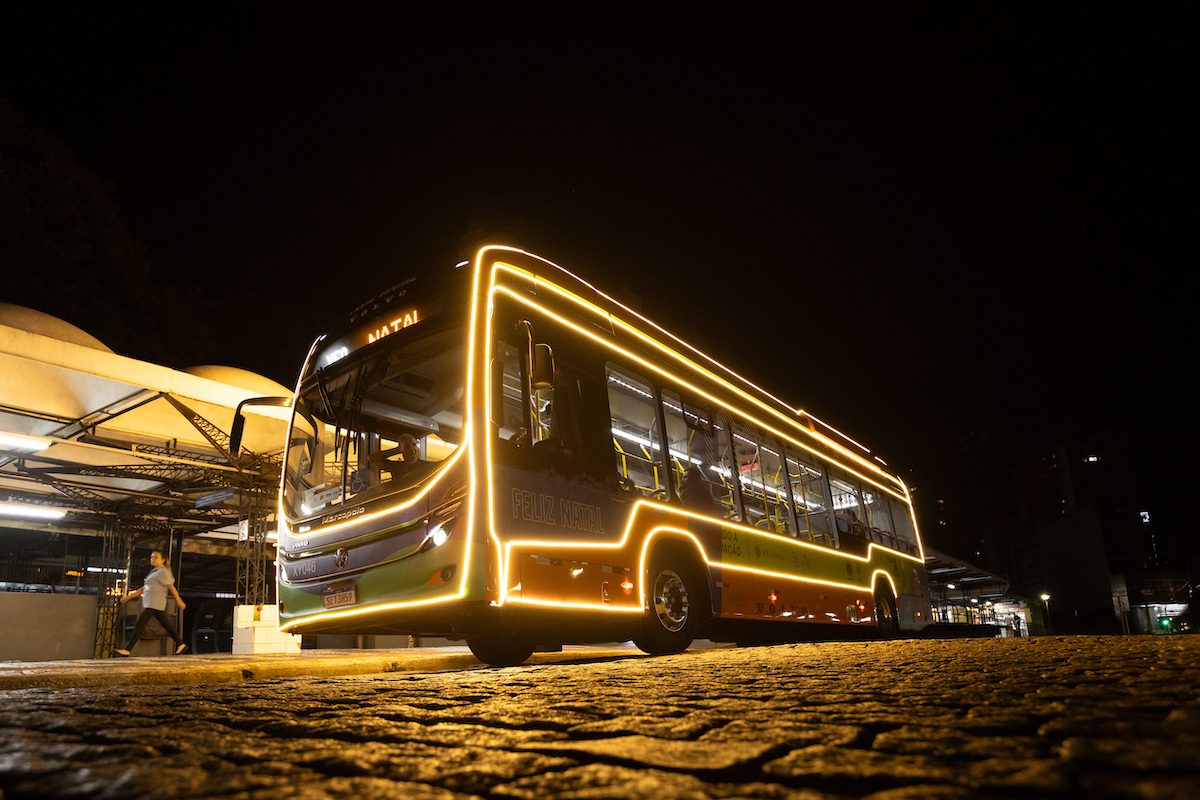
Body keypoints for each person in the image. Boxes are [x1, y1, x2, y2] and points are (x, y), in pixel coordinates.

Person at [116, 550, 188, 656]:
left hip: (155, 603)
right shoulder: (155, 572)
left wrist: (179, 600)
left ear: (163, 560)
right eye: (151, 557)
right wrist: (129, 597)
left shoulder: (163, 572)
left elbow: (171, 587)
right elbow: (144, 588)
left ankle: (127, 649)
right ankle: (180, 644)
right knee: (166, 625)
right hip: (152, 603)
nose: (152, 559)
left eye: (156, 557)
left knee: (140, 625)